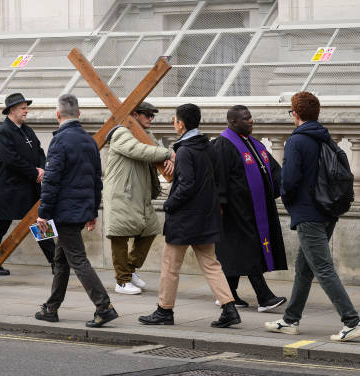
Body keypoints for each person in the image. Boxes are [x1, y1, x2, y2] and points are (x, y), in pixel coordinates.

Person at [265, 92, 360, 342]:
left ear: (295, 114)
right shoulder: (325, 138)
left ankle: (352, 321)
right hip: (327, 211)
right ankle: (290, 320)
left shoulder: (297, 141)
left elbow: (290, 179)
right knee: (304, 268)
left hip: (308, 214)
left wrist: (287, 199)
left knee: (323, 268)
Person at [139, 103, 241, 328]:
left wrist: (169, 204)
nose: (174, 123)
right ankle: (229, 308)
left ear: (181, 124)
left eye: (175, 120)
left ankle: (164, 310)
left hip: (185, 219)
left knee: (170, 265)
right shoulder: (207, 146)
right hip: (206, 215)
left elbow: (186, 186)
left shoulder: (185, 150)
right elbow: (211, 179)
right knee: (211, 264)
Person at [34, 94, 118, 328]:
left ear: (57, 115)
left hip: (64, 212)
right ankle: (51, 307)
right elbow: (96, 181)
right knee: (61, 260)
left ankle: (103, 306)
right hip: (80, 210)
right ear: (79, 114)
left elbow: (51, 182)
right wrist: (92, 211)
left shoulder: (59, 142)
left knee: (78, 260)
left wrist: (43, 213)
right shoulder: (89, 141)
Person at [211, 105, 288, 312]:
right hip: (235, 211)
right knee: (248, 250)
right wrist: (221, 205)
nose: (251, 121)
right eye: (246, 118)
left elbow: (272, 170)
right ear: (233, 122)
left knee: (236, 253)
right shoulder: (222, 145)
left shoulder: (255, 145)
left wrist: (289, 185)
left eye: (251, 117)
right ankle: (264, 297)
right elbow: (218, 179)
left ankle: (227, 295)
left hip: (255, 208)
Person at [103, 101, 174, 295]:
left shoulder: (145, 134)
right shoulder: (121, 133)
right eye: (147, 115)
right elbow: (138, 151)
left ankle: (129, 269)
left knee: (150, 231)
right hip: (122, 195)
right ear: (135, 114)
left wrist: (165, 158)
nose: (151, 118)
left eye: (152, 115)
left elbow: (150, 152)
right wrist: (168, 153)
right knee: (119, 236)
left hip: (140, 195)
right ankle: (122, 280)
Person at [0, 92, 55, 275]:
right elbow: (11, 160)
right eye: (23, 108)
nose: (26, 111)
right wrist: (34, 172)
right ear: (12, 110)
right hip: (10, 189)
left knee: (41, 222)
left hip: (30, 186)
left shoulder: (26, 129)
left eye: (26, 108)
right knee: (1, 224)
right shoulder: (3, 132)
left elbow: (38, 151)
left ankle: (56, 262)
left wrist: (41, 168)